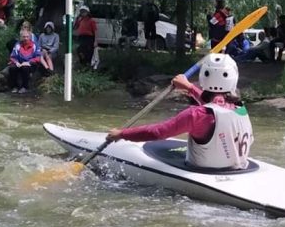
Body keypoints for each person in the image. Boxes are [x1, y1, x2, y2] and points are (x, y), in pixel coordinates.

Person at [106, 53, 254, 170]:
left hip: (204, 171)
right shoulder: (240, 108)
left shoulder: (196, 115)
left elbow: (158, 132)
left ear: (203, 77)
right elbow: (215, 107)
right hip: (238, 169)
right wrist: (189, 87)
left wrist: (122, 134)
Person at [8, 28, 41, 93]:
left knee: (25, 68)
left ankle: (25, 87)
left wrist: (28, 62)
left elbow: (38, 57)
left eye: (27, 37)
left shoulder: (35, 45)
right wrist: (16, 62)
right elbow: (12, 56)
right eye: (24, 37)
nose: (25, 38)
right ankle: (15, 87)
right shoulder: (17, 45)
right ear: (21, 37)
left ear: (30, 37)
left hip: (31, 64)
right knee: (12, 68)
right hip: (20, 63)